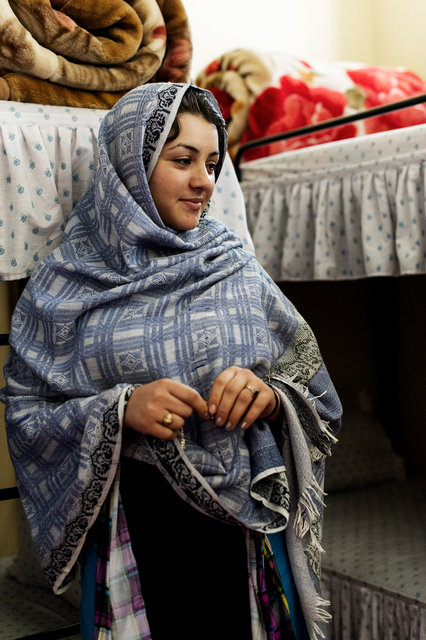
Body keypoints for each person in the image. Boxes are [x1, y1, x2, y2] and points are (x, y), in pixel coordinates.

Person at [1, 83, 342, 640]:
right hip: (135, 533)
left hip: (245, 537)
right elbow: (27, 411)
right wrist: (122, 409)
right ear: (127, 168)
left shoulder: (233, 264)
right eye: (182, 160)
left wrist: (271, 395)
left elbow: (312, 379)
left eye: (212, 163)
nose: (204, 181)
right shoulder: (63, 286)